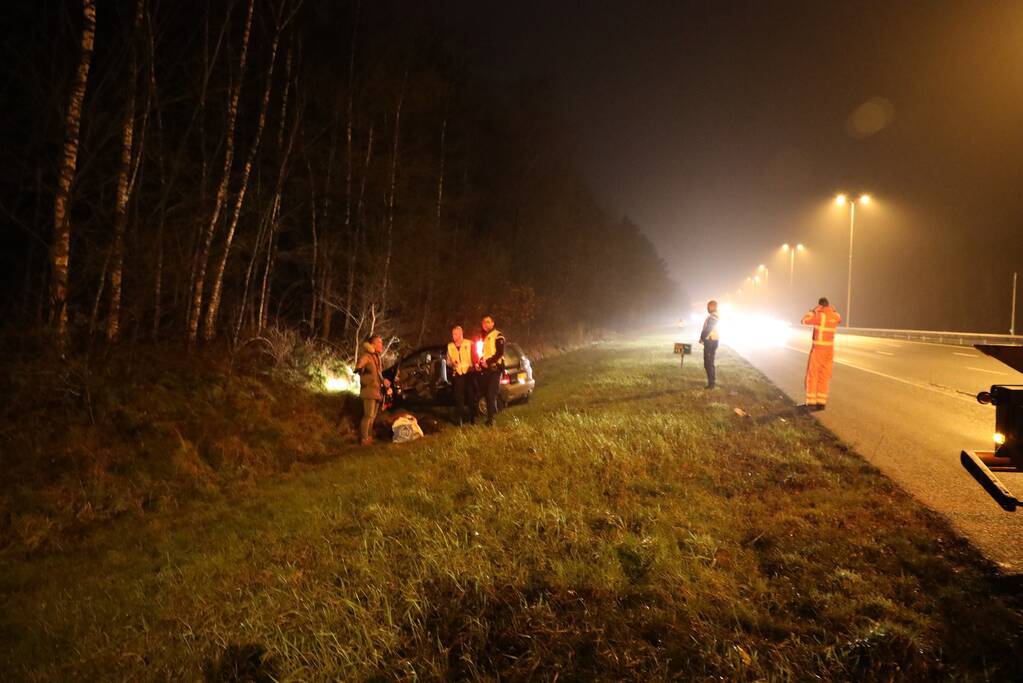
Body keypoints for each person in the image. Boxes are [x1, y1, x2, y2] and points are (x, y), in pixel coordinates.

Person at [801, 297, 842, 411]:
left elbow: (804, 320)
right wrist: (830, 309)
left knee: (813, 375)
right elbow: (838, 317)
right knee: (824, 376)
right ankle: (821, 403)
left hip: (819, 349)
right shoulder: (835, 316)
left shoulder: (820, 316)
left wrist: (814, 310)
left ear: (820, 306)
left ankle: (811, 403)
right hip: (829, 350)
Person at [476, 315, 505, 426]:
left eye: (488, 322)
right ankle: (491, 415)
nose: (485, 324)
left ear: (493, 323)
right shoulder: (483, 338)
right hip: (486, 370)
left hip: (495, 369)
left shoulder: (498, 335)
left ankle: (491, 419)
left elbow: (500, 353)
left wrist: (487, 362)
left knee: (491, 393)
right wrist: (479, 364)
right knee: (486, 393)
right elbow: (482, 354)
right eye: (483, 322)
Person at [355, 335, 384, 445]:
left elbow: (378, 373)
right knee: (368, 416)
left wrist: (383, 380)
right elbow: (359, 365)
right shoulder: (367, 356)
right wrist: (359, 366)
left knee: (373, 417)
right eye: (379, 343)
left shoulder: (376, 357)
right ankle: (364, 439)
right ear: (372, 344)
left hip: (376, 391)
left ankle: (369, 438)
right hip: (369, 390)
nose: (381, 345)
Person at [447, 325, 476, 426]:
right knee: (458, 397)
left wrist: (475, 366)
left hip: (469, 373)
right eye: (452, 334)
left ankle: (472, 419)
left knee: (470, 396)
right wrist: (451, 363)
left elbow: (475, 357)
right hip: (458, 374)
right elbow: (448, 361)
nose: (453, 336)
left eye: (455, 334)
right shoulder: (450, 346)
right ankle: (460, 420)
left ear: (460, 334)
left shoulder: (469, 343)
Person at [699, 300, 720, 389]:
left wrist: (702, 338)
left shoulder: (713, 317)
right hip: (712, 340)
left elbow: (708, 328)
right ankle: (711, 383)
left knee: (708, 363)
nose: (707, 308)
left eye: (708, 306)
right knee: (709, 362)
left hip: (711, 341)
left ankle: (711, 384)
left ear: (712, 306)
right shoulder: (713, 316)